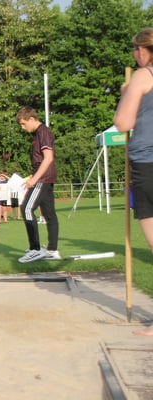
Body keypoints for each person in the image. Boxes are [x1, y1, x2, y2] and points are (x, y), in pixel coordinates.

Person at [114, 27, 153, 336]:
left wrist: (126, 93)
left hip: (148, 162)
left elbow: (123, 123)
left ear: (142, 51)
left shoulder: (142, 76)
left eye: (135, 50)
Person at [16, 106, 60, 263]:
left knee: (26, 209)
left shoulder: (43, 132)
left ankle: (35, 249)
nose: (23, 128)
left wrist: (34, 179)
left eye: (23, 124)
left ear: (32, 119)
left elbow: (48, 158)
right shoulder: (38, 134)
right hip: (45, 178)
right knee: (49, 214)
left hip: (43, 179)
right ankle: (52, 251)